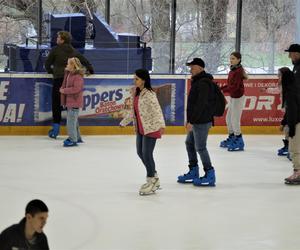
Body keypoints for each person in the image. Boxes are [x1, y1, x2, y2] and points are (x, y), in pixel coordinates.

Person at [120, 69, 166, 195]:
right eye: (134, 78)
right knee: (140, 153)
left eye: (137, 79)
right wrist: (124, 122)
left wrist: (161, 125)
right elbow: (133, 111)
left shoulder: (150, 94)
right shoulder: (137, 93)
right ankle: (154, 176)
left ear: (143, 80)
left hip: (151, 128)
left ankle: (151, 180)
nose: (134, 81)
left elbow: (157, 110)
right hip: (141, 129)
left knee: (147, 154)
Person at [45, 31, 94, 139]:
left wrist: (51, 72)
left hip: (59, 81)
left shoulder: (55, 50)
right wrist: (90, 71)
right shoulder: (73, 51)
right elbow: (85, 61)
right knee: (70, 106)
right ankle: (75, 132)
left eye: (58, 37)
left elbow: (47, 64)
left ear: (62, 40)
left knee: (56, 104)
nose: (56, 39)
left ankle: (56, 129)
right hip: (70, 81)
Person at [177, 58, 216, 186]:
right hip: (197, 120)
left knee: (200, 147)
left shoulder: (204, 83)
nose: (190, 70)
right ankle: (193, 170)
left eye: (193, 67)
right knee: (189, 143)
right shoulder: (197, 81)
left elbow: (201, 104)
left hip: (202, 121)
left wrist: (191, 121)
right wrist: (190, 120)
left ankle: (209, 173)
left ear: (200, 68)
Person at [220, 52, 248, 151]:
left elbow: (235, 87)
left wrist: (223, 90)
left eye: (233, 58)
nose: (231, 60)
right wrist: (221, 88)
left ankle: (239, 140)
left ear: (239, 60)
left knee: (235, 119)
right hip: (233, 97)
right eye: (230, 58)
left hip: (238, 97)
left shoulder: (238, 71)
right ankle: (232, 137)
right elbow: (230, 85)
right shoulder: (232, 70)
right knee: (228, 118)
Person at [283, 44, 300, 185]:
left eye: (291, 53)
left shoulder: (298, 70)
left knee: (295, 146)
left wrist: (292, 121)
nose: (289, 56)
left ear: (297, 54)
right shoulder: (296, 68)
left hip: (298, 116)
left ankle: (298, 172)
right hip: (296, 114)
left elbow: (295, 98)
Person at [60, 57, 85, 147]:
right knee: (74, 121)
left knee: (70, 122)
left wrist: (64, 91)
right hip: (70, 102)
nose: (66, 65)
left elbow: (76, 89)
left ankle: (72, 139)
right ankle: (77, 137)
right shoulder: (69, 74)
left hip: (74, 102)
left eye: (68, 64)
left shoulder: (77, 76)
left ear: (73, 66)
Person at [277, 67, 291, 158]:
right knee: (287, 128)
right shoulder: (282, 85)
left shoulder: (290, 87)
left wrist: (283, 122)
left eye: (279, 75)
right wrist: (266, 89)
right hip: (288, 109)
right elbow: (277, 90)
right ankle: (288, 146)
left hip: (292, 112)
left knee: (288, 128)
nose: (278, 77)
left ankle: (291, 149)